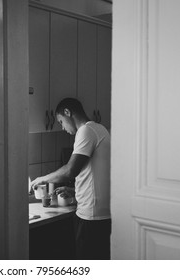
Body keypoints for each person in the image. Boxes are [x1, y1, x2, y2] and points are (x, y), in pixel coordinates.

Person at [30, 97, 111, 259]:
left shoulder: (86, 131)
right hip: (102, 215)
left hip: (91, 217)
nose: (62, 127)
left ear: (68, 112)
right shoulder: (100, 128)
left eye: (61, 121)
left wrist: (42, 179)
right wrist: (74, 191)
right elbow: (96, 175)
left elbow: (70, 171)